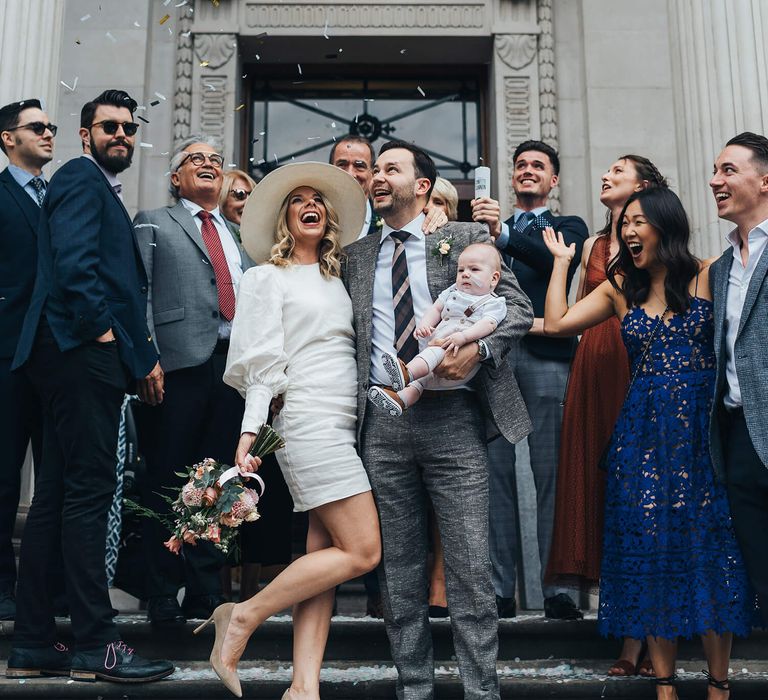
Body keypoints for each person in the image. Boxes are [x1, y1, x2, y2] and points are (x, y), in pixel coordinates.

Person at [543, 187, 755, 699]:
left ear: (666, 224)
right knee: (649, 553)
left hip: (702, 438)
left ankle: (718, 686)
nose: (629, 231)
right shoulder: (620, 287)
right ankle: (664, 685)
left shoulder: (709, 273)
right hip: (640, 438)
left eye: (639, 222)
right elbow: (555, 323)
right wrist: (562, 264)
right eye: (625, 225)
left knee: (710, 554)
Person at [343, 139, 533, 699]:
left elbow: (517, 310)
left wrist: (480, 350)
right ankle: (415, 689)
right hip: (384, 421)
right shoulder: (355, 256)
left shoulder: (465, 240)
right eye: (374, 169)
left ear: (421, 186)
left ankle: (481, 691)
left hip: (456, 422)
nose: (378, 177)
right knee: (399, 568)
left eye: (391, 169)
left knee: (471, 565)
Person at [6, 89, 172, 683]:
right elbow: (77, 267)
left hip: (63, 357)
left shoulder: (96, 186)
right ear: (85, 134)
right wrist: (101, 333)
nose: (121, 135)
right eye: (109, 127)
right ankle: (95, 644)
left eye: (129, 127)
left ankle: (30, 641)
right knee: (89, 493)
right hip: (77, 355)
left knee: (55, 495)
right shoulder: (80, 176)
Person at [198, 161, 381, 699]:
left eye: (319, 201)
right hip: (306, 419)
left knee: (322, 558)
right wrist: (250, 434)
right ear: (285, 217)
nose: (312, 205)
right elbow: (262, 364)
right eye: (299, 199)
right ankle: (242, 615)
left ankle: (304, 687)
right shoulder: (265, 278)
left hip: (347, 422)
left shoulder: (337, 276)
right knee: (364, 550)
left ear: (328, 219)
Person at [545, 155, 667, 677]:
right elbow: (567, 318)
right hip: (594, 367)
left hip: (637, 366)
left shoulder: (665, 250)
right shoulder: (593, 246)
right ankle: (622, 622)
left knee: (642, 499)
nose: (605, 174)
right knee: (603, 494)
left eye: (618, 170)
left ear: (644, 188)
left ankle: (642, 637)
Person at [132, 137, 253, 627]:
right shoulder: (154, 220)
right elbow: (136, 288)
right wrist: (145, 357)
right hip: (174, 367)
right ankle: (161, 591)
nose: (207, 166)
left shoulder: (237, 235)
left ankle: (203, 593)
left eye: (214, 161)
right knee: (165, 476)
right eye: (195, 160)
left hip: (229, 368)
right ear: (176, 177)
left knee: (215, 483)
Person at [472, 140, 588, 619]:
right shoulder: (484, 232)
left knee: (552, 476)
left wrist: (501, 237)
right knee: (493, 477)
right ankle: (501, 591)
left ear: (553, 179)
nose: (527, 171)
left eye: (538, 166)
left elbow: (550, 261)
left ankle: (559, 591)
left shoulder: (568, 228)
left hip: (546, 358)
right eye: (520, 165)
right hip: (495, 360)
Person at [709, 131, 768, 626]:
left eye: (728, 170)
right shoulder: (721, 266)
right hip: (736, 436)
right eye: (715, 171)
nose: (715, 180)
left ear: (765, 180)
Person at [0, 98, 53, 621]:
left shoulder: (60, 196)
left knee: (56, 475)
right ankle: (2, 584)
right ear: (7, 138)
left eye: (50, 126)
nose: (48, 133)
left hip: (58, 358)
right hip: (6, 355)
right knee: (3, 473)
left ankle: (46, 585)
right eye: (37, 127)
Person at [369, 242, 506, 414]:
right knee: (420, 383)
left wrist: (464, 337)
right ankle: (400, 400)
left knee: (432, 352)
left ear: (494, 279)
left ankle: (407, 373)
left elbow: (489, 323)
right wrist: (425, 324)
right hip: (434, 359)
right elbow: (436, 308)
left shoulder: (494, 302)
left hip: (457, 356)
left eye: (474, 270)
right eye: (461, 270)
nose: (465, 274)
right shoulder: (453, 290)